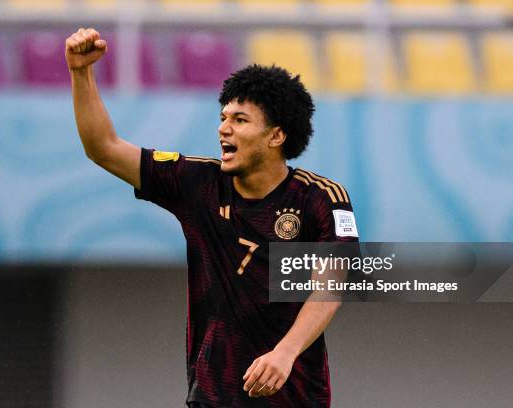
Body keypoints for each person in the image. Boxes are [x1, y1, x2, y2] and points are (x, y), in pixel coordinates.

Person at [65, 27, 359, 408]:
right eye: (223, 117)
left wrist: (285, 352)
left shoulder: (320, 199)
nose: (223, 128)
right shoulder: (198, 184)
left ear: (276, 136)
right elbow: (103, 148)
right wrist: (80, 73)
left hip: (295, 398)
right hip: (211, 397)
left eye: (240, 119)